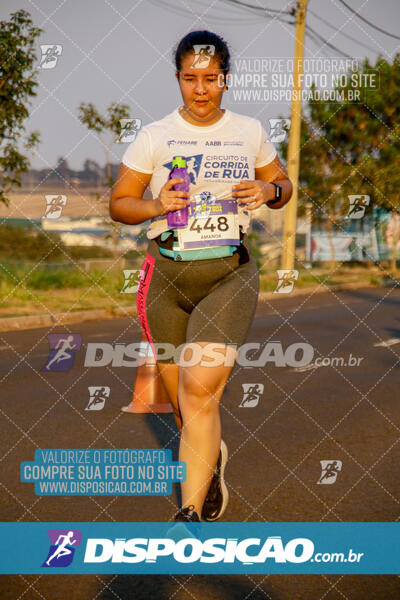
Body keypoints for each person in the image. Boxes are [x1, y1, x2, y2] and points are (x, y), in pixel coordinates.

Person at [110, 30, 292, 523]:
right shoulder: (155, 135)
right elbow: (119, 204)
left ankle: (188, 513)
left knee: (199, 392)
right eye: (190, 79)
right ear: (178, 79)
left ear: (225, 80)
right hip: (164, 280)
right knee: (183, 408)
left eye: (210, 79)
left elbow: (283, 184)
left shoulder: (249, 131)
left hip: (228, 276)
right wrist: (154, 203)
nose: (201, 89)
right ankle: (210, 461)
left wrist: (268, 190)